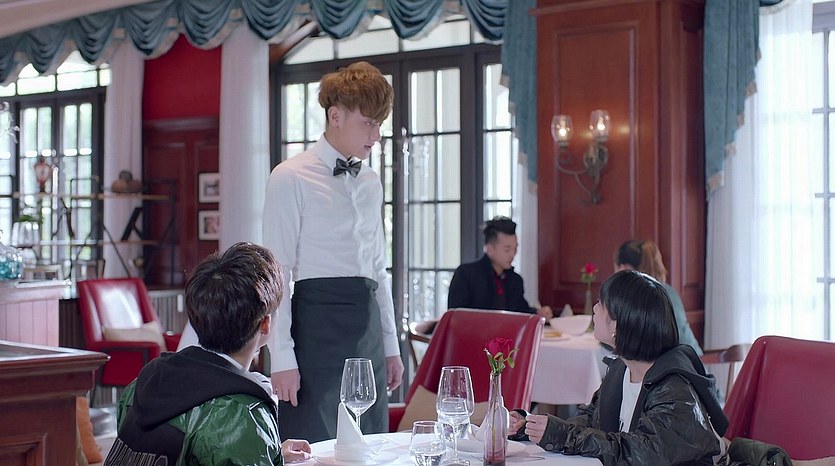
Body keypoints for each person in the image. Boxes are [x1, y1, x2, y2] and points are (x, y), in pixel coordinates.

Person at [262, 61, 403, 443]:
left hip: (367, 329)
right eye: (368, 123)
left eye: (379, 124)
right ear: (335, 115)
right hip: (315, 331)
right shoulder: (289, 177)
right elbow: (277, 274)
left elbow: (379, 270)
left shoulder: (371, 182)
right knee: (315, 448)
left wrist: (391, 346)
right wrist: (281, 357)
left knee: (370, 448)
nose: (376, 135)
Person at [103, 242, 311, 465]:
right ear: (265, 324)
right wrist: (256, 446)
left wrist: (270, 453)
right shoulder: (239, 413)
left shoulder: (142, 384)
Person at [510, 270, 727, 465]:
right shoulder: (622, 368)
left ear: (618, 325)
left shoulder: (674, 388)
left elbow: (641, 453)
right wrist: (532, 427)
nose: (595, 308)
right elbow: (590, 421)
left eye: (601, 304)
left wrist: (564, 436)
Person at [447, 216, 553, 319]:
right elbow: (455, 317)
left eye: (515, 248)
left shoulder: (515, 280)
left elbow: (521, 311)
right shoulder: (466, 275)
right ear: (490, 249)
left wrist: (537, 313)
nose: (513, 254)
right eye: (507, 250)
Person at [614, 239, 703, 355]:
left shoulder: (640, 298)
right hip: (693, 359)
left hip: (677, 362)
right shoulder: (667, 290)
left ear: (624, 268)